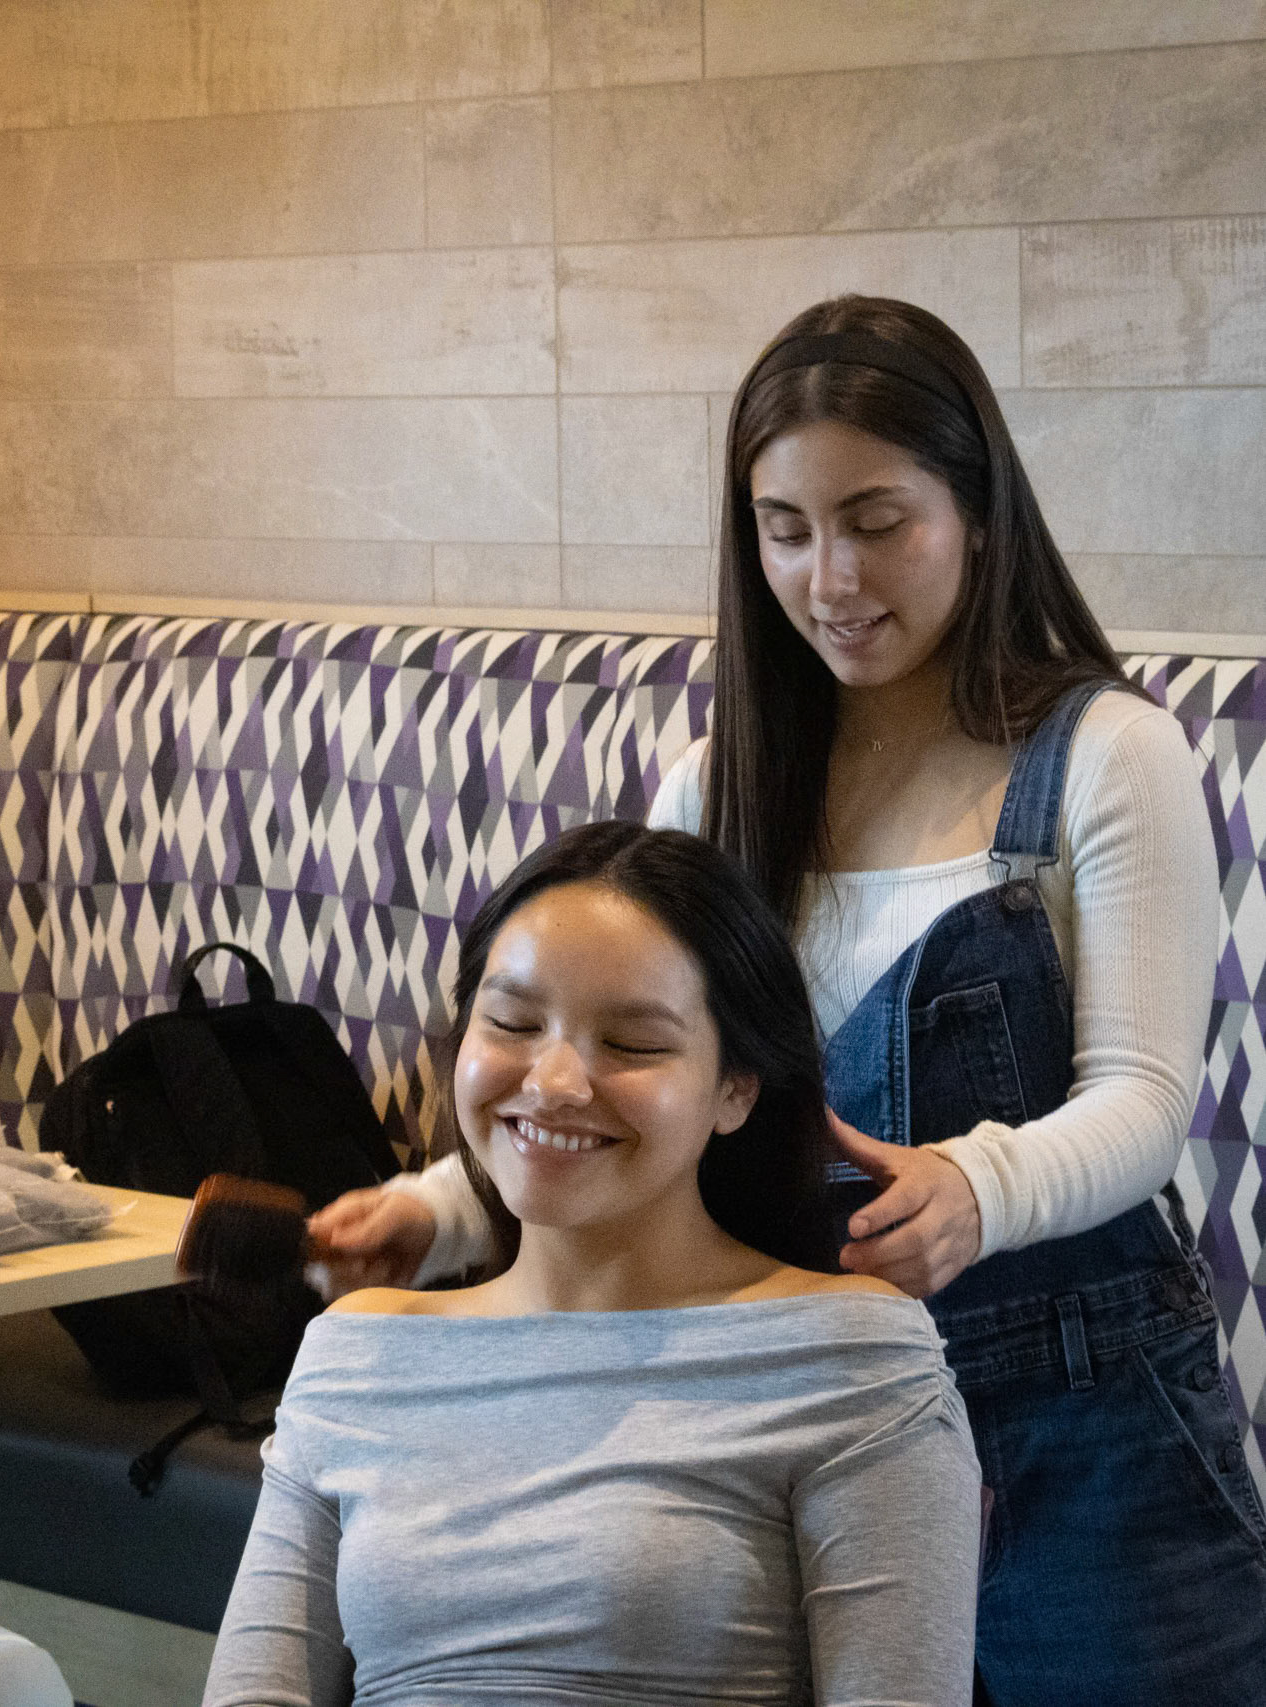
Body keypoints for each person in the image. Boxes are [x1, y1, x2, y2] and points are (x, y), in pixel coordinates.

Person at [308, 296, 1266, 1705]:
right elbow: (645, 1078)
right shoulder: (720, 785)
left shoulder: (1105, 755)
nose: (828, 575)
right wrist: (447, 1208)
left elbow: (1138, 1103)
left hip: (1080, 1406)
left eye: (876, 519)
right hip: (789, 1392)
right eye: (785, 527)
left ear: (977, 510)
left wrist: (968, 1187)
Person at [206, 822, 980, 1707]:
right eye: (512, 1021)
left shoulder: (849, 1355)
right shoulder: (354, 1351)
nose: (555, 1081)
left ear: (735, 1089)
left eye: (633, 1043)